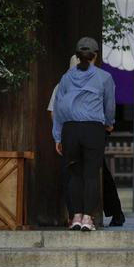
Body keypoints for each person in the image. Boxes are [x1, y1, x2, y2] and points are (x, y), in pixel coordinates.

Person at [48, 55, 125, 227]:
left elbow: (55, 112)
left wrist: (59, 135)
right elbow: (109, 107)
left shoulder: (63, 84)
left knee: (74, 175)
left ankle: (76, 216)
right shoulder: (99, 79)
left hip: (71, 132)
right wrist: (107, 124)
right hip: (92, 131)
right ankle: (88, 217)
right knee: (92, 175)